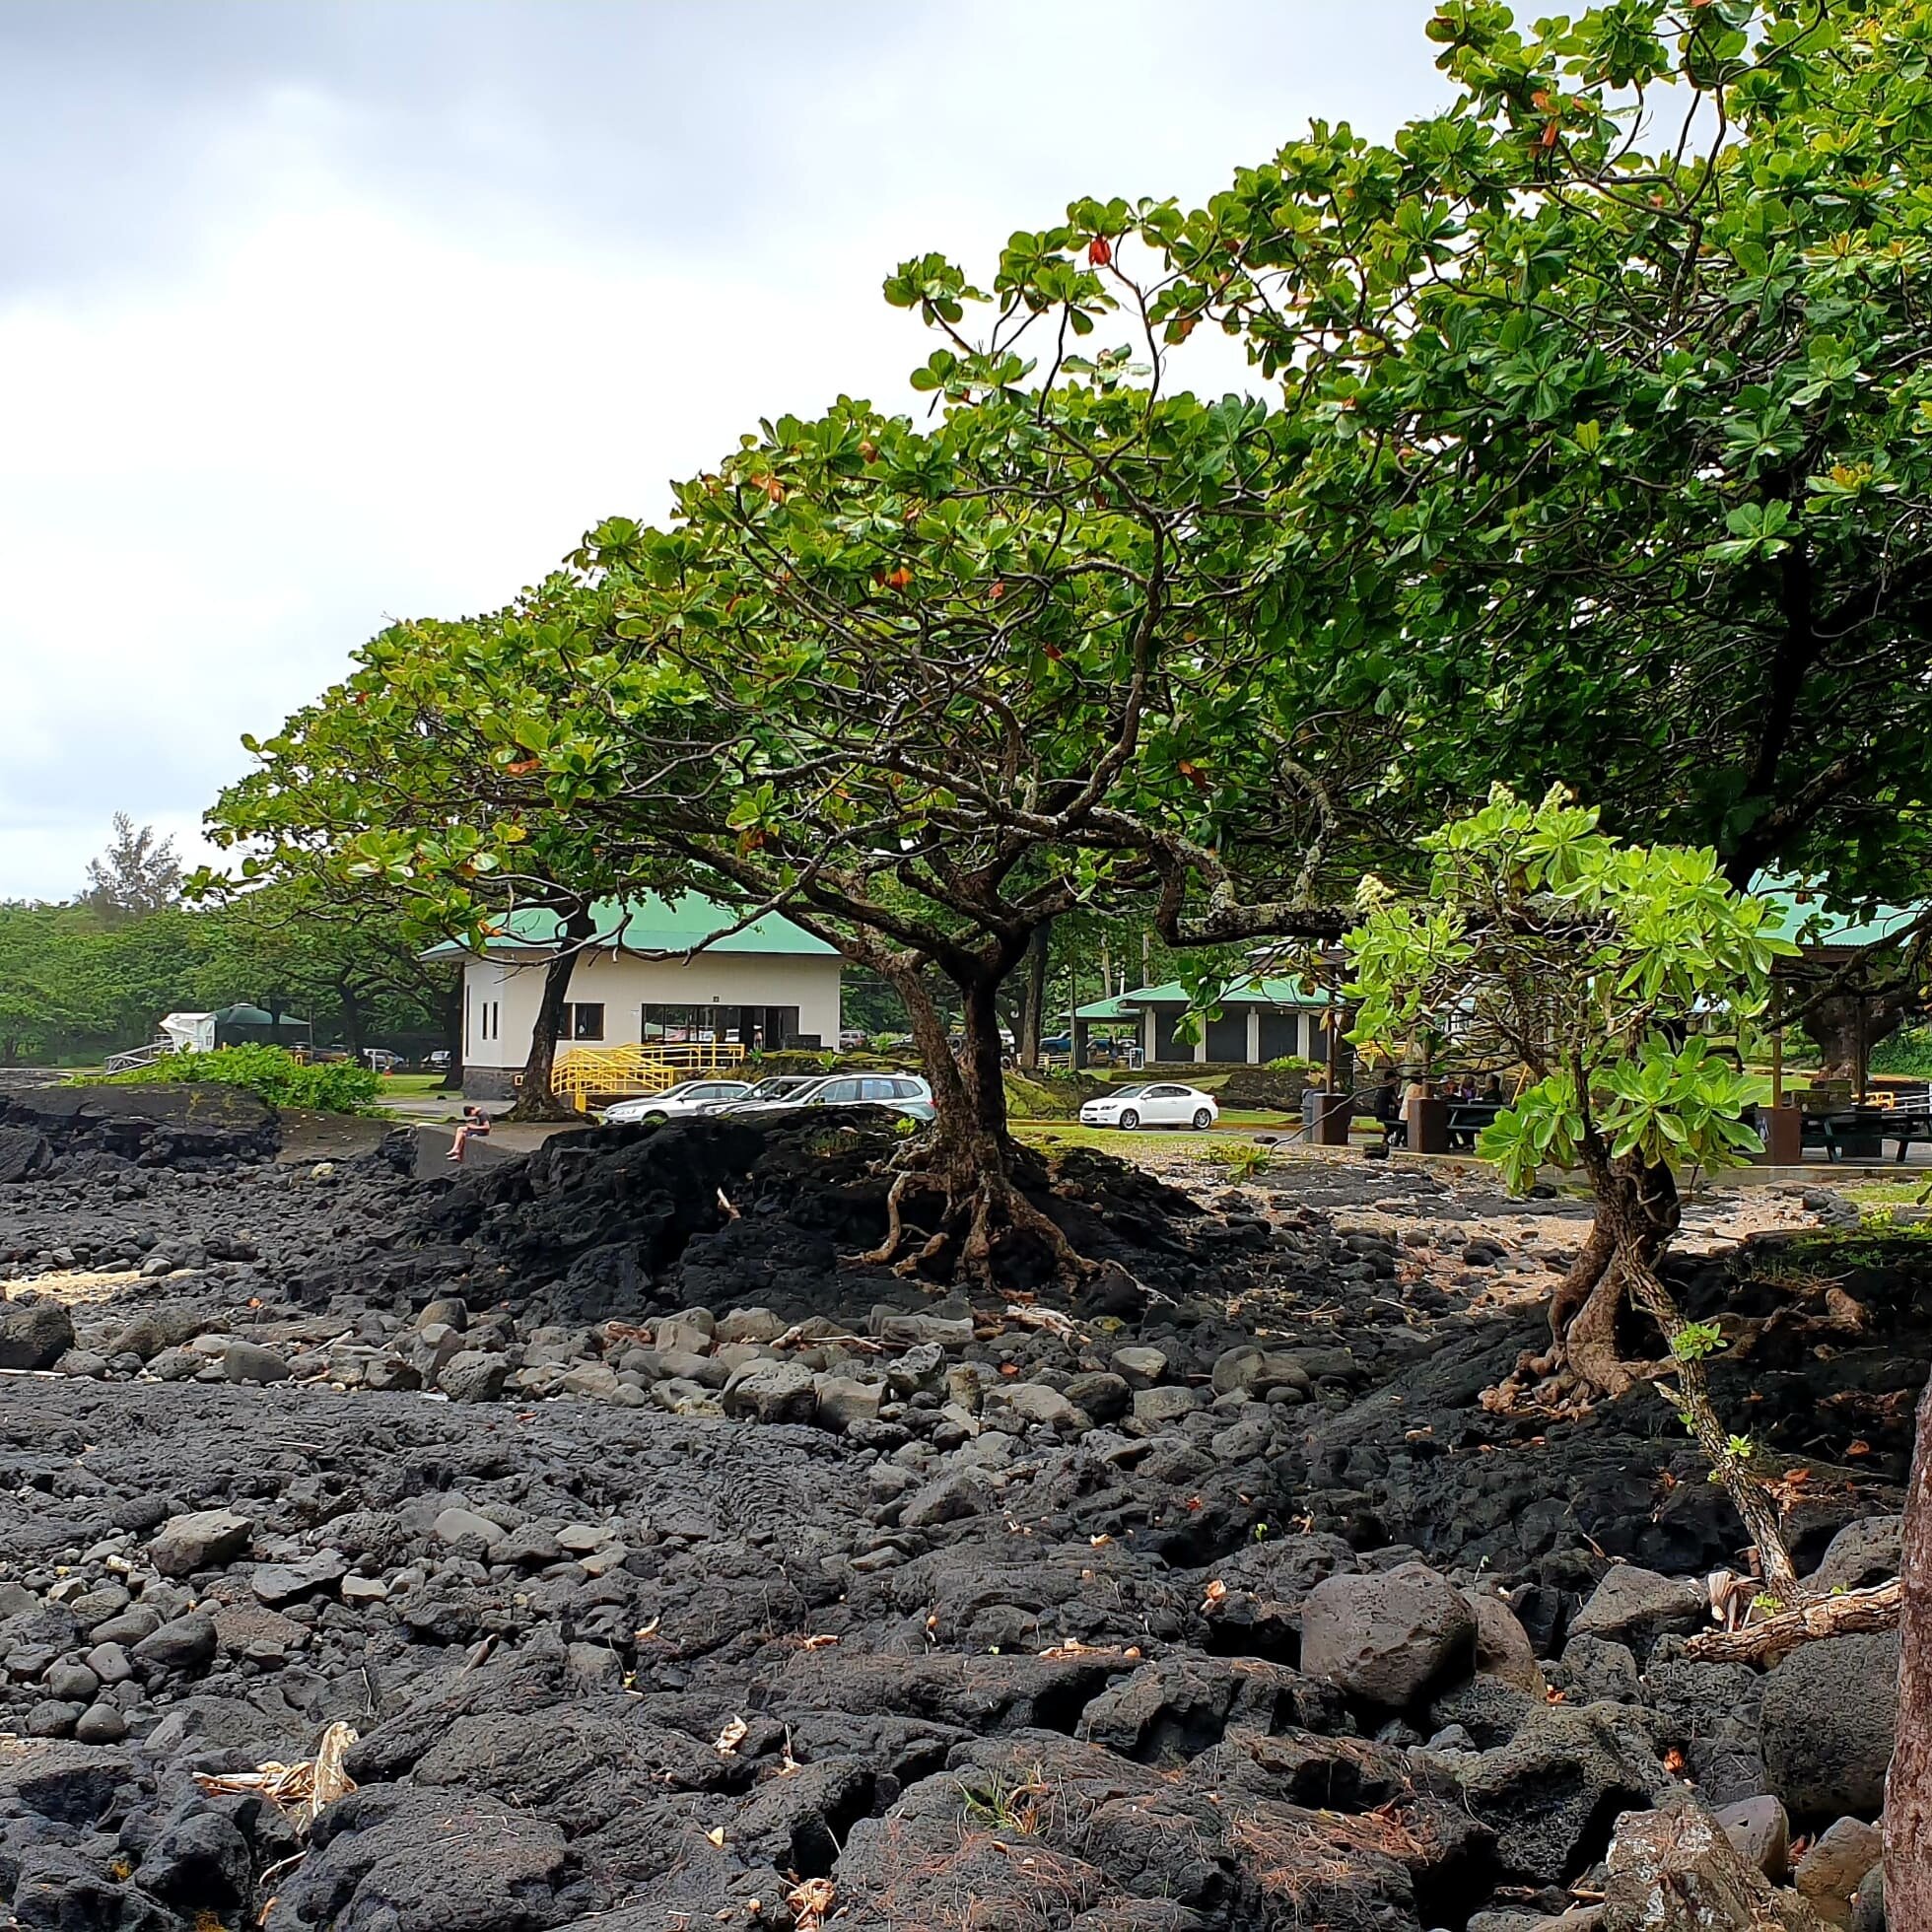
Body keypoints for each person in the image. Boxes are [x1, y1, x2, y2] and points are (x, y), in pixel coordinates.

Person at [1369, 1070, 1406, 1150]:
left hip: (1378, 1113)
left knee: (1397, 1124)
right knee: (1401, 1124)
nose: (1396, 1081)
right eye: (1394, 1079)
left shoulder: (1381, 1087)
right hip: (1384, 1114)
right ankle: (1388, 1140)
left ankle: (1388, 1140)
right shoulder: (1389, 1089)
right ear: (1389, 1079)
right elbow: (1397, 1103)